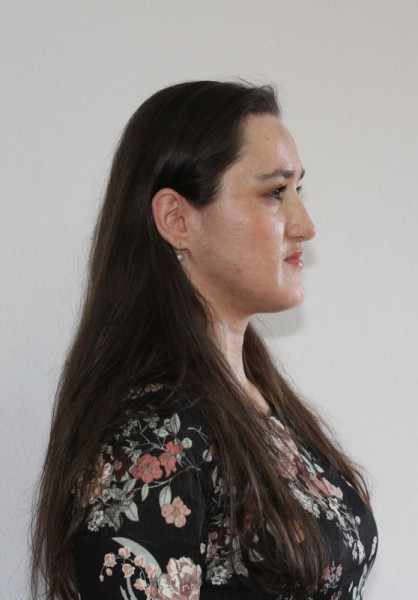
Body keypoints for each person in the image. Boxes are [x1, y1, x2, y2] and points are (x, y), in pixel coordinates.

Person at [31, 80, 378, 600]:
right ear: (177, 219)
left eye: (297, 190)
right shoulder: (152, 440)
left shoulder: (257, 399)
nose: (305, 225)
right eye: (274, 193)